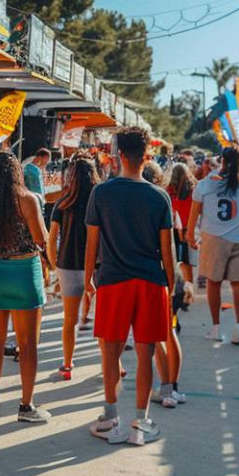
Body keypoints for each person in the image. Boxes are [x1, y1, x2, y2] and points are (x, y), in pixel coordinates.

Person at [84, 127, 175, 446]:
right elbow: (168, 251)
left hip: (112, 280)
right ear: (146, 155)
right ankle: (141, 421)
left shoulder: (102, 193)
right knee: (146, 352)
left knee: (110, 350)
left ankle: (110, 418)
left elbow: (91, 243)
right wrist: (172, 285)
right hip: (151, 281)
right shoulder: (159, 196)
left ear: (118, 154)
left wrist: (87, 282)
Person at [0, 151, 51, 422]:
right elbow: (41, 239)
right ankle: (26, 405)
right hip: (24, 271)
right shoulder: (28, 199)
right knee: (28, 343)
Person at [187, 146, 239, 346]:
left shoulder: (206, 184)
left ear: (222, 161)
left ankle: (216, 328)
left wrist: (191, 235)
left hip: (214, 238)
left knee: (213, 282)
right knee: (238, 284)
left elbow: (195, 214)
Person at [49, 157, 98, 379]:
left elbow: (51, 240)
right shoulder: (99, 199)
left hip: (67, 265)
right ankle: (114, 365)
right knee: (104, 320)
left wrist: (54, 266)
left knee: (70, 320)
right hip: (97, 267)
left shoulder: (63, 201)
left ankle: (67, 364)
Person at [143, 161, 187, 410]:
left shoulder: (140, 204)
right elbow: (174, 244)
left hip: (158, 276)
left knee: (158, 335)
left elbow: (166, 249)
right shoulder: (164, 202)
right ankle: (172, 387)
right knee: (168, 333)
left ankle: (167, 388)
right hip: (171, 275)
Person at [167, 162, 199, 297]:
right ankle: (189, 286)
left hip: (175, 228)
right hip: (191, 227)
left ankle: (184, 286)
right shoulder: (193, 189)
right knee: (188, 260)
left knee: (179, 260)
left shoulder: (170, 190)